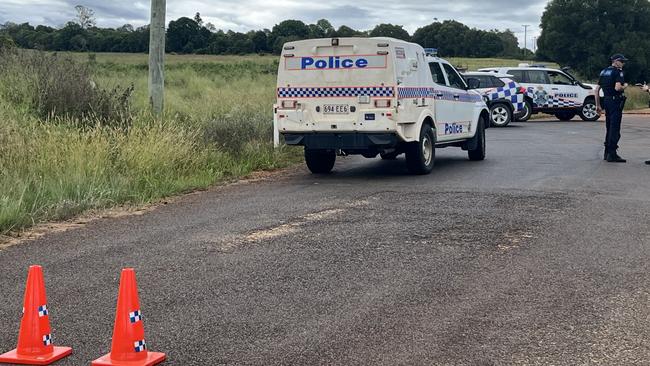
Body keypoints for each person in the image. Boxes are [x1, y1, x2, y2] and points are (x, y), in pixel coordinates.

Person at [595, 54, 629, 163]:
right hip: (615, 102)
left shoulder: (604, 72)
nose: (623, 64)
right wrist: (625, 86)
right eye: (622, 61)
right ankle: (612, 154)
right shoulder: (618, 72)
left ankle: (606, 153)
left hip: (606, 101)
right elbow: (618, 87)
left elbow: (596, 90)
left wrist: (598, 105)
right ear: (616, 61)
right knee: (614, 128)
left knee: (609, 127)